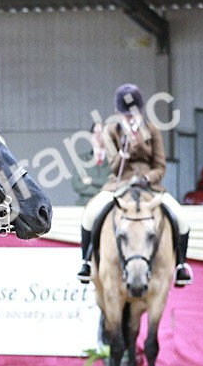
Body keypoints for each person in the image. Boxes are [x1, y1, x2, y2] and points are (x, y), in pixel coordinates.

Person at [77, 84, 193, 286]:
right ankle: (86, 262)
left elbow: (160, 165)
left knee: (181, 218)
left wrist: (148, 178)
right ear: (118, 112)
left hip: (148, 185)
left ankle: (181, 265)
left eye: (133, 113)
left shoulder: (152, 129)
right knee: (90, 214)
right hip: (120, 183)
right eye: (125, 113)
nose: (130, 117)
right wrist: (123, 154)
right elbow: (113, 167)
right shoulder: (112, 130)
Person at [71, 121, 114, 206]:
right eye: (95, 132)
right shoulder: (82, 159)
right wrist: (102, 189)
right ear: (91, 136)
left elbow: (113, 183)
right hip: (84, 205)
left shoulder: (114, 160)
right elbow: (76, 184)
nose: (97, 136)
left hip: (106, 206)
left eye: (101, 133)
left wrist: (91, 180)